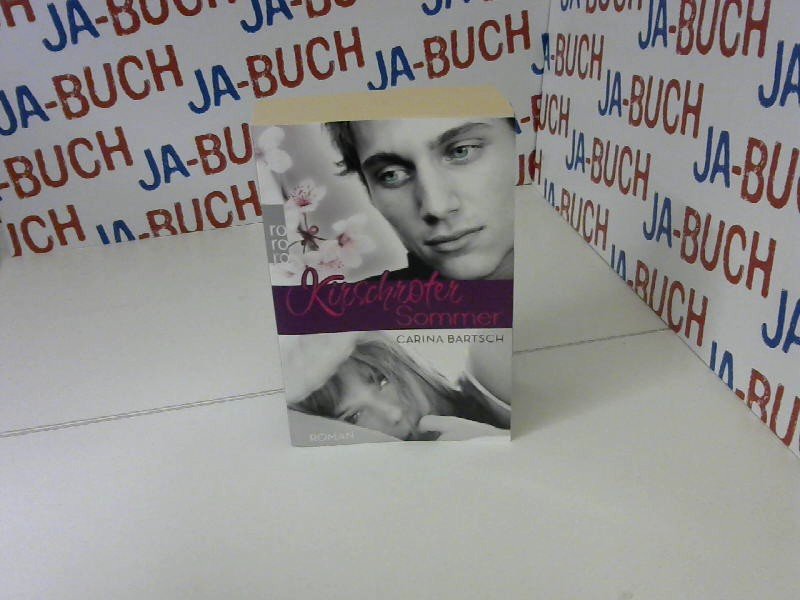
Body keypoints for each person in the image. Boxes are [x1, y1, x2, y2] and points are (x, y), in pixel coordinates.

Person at [325, 117, 516, 281]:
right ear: (367, 188)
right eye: (391, 175)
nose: (436, 207)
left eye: (461, 151)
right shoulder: (348, 309)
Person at [285, 333, 509, 441]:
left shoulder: (491, 374)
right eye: (354, 416)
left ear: (403, 361)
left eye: (383, 380)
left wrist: (492, 442)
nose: (393, 414)